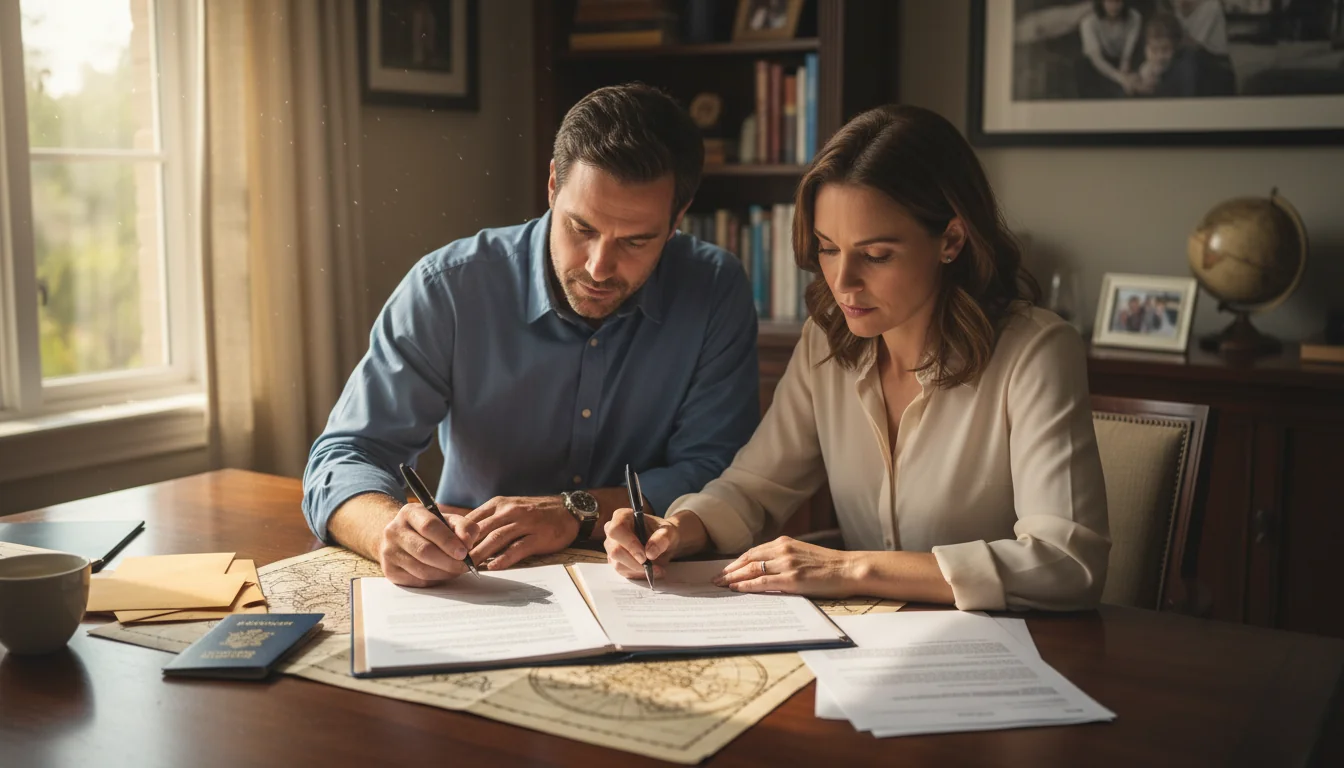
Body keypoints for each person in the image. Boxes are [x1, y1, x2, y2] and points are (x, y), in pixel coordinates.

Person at [604, 105, 1110, 612]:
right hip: (869, 641)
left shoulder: (1035, 352)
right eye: (827, 248)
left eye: (876, 255)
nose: (842, 282)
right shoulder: (827, 342)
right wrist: (676, 529)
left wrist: (849, 568)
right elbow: (755, 489)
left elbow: (1067, 562)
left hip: (1006, 651)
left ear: (951, 240)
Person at [303, 84, 759, 587]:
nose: (598, 267)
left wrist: (575, 513)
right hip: (475, 576)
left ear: (678, 218)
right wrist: (388, 531)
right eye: (581, 227)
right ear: (551, 186)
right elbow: (345, 457)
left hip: (645, 584)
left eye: (636, 240)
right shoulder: (449, 288)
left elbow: (716, 470)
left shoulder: (715, 288)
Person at [1077, 0, 1144, 98]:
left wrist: (1125, 69)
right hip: (1101, 65)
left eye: (1118, 2)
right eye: (1109, 1)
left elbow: (1129, 51)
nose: (1114, 6)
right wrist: (1120, 78)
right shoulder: (1088, 22)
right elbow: (1096, 58)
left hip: (1125, 61)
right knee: (1082, 65)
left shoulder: (1134, 17)